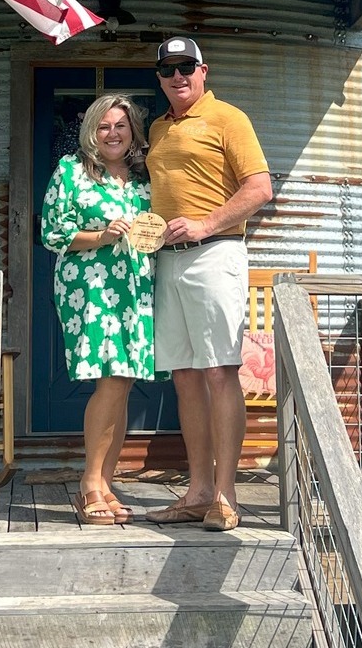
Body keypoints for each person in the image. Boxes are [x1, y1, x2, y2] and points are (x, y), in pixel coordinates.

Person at [143, 37, 272, 531]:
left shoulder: (229, 118)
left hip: (215, 254)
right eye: (167, 69)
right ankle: (197, 492)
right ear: (159, 77)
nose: (177, 76)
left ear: (203, 71)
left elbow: (260, 187)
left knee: (219, 371)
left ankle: (226, 494)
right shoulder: (156, 128)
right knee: (184, 375)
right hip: (167, 261)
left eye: (186, 67)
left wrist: (205, 223)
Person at [38, 94, 157, 525]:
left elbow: (152, 230)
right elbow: (53, 233)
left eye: (121, 126)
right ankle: (90, 482)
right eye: (104, 126)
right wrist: (102, 237)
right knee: (109, 380)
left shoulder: (143, 179)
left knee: (123, 382)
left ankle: (106, 483)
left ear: (133, 133)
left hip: (136, 286)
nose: (113, 133)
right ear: (92, 130)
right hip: (90, 288)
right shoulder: (71, 171)